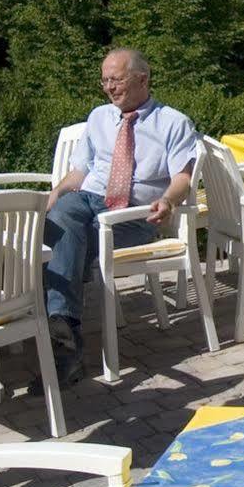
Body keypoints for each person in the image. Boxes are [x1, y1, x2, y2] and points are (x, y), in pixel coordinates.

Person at [42, 48, 201, 381]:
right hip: (87, 200)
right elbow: (81, 171)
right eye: (104, 80)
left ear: (142, 79)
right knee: (58, 218)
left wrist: (168, 202)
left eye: (116, 79)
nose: (108, 88)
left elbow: (182, 177)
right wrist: (57, 191)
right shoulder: (99, 117)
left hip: (131, 215)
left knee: (64, 244)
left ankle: (58, 335)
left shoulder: (173, 122)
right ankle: (64, 330)